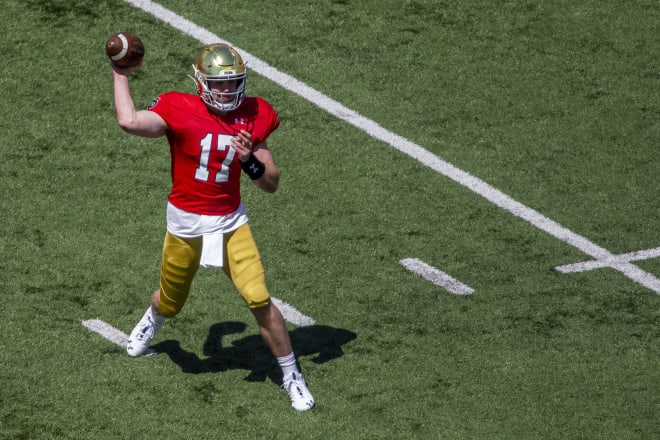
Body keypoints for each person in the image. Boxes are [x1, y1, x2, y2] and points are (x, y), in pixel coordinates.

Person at [110, 42, 314, 411]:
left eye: (232, 83)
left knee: (258, 297)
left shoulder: (255, 113)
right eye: (218, 84)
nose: (226, 91)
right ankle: (154, 317)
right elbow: (129, 122)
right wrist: (120, 74)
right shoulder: (178, 105)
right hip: (185, 224)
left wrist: (250, 160)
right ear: (200, 82)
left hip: (231, 223)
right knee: (171, 302)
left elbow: (271, 183)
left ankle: (291, 374)